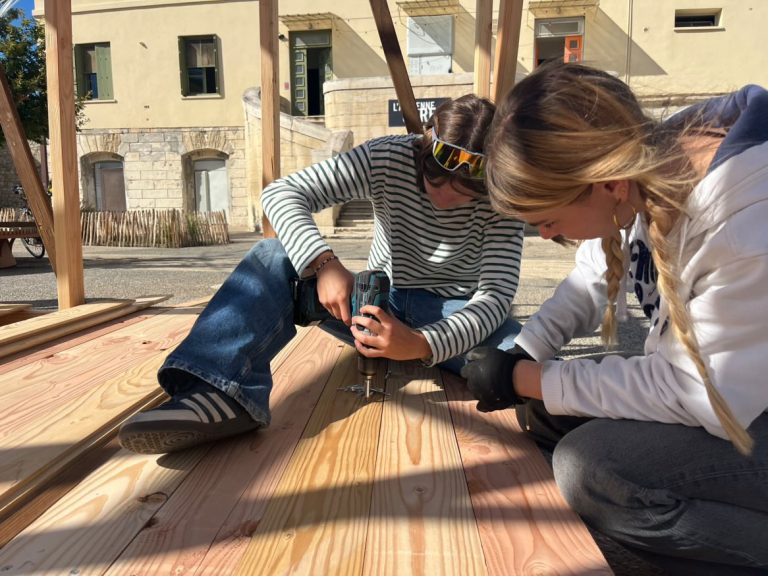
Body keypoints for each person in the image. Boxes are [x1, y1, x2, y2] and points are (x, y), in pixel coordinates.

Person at [460, 62, 768, 575]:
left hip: (739, 408)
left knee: (590, 470)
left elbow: (701, 394)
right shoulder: (643, 167)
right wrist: (524, 353)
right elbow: (593, 275)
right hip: (735, 394)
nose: (545, 236)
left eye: (548, 220)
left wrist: (528, 378)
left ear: (607, 184)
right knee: (546, 410)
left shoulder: (747, 226)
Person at [118, 94, 525, 455]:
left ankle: (550, 425)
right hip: (373, 303)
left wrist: (421, 344)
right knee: (271, 256)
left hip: (452, 312)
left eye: (464, 192)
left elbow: (494, 297)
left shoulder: (502, 194)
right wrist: (323, 263)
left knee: (525, 359)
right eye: (435, 179)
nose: (446, 195)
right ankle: (217, 392)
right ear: (424, 147)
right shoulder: (388, 158)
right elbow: (280, 193)